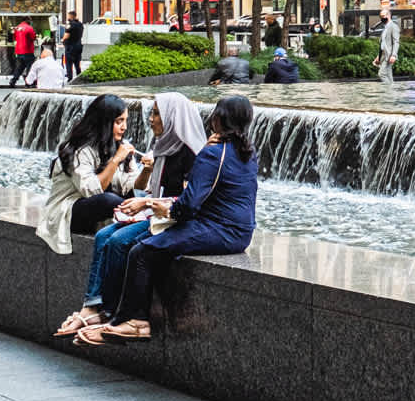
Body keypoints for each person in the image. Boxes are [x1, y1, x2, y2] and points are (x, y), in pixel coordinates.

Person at [81, 94, 259, 343]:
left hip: (218, 230)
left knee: (141, 252)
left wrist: (160, 208)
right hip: (240, 232)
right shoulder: (247, 152)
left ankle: (136, 321)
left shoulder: (212, 153)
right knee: (137, 243)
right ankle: (115, 317)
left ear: (218, 119)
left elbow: (188, 205)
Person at [54, 92, 206, 338]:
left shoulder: (189, 153)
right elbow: (94, 189)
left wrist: (145, 196)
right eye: (119, 121)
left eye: (156, 114)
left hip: (169, 217)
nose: (150, 119)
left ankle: (114, 313)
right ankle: (94, 307)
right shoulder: (85, 149)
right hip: (81, 209)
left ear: (172, 118)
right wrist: (143, 195)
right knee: (105, 234)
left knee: (118, 239)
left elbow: (182, 200)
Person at [36, 93, 140, 255]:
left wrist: (148, 170)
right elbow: (92, 190)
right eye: (119, 121)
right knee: (108, 200)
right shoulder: (79, 149)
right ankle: (142, 220)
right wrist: (115, 161)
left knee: (137, 198)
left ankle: (140, 219)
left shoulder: (121, 146)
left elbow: (132, 186)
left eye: (125, 121)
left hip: (102, 208)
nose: (124, 127)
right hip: (70, 210)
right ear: (104, 122)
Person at [9, 18, 37, 86]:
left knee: (20, 67)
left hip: (19, 51)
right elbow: (33, 37)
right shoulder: (29, 28)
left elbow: (15, 37)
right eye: (30, 20)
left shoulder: (17, 27)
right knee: (30, 67)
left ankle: (13, 80)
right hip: (28, 50)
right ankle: (29, 82)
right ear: (27, 20)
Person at [377, 5, 400, 83]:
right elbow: (383, 43)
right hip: (383, 54)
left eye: (383, 16)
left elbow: (396, 42)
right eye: (381, 16)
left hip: (389, 55)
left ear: (388, 15)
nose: (382, 18)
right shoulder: (385, 27)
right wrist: (378, 56)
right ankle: (392, 89)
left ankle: (388, 88)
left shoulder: (394, 26)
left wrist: (394, 55)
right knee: (389, 75)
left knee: (381, 74)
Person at [63, 11, 85, 81]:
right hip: (78, 46)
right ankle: (79, 77)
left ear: (70, 16)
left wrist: (63, 40)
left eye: (68, 16)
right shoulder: (80, 24)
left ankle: (70, 78)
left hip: (70, 47)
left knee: (69, 63)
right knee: (77, 63)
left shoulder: (70, 24)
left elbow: (67, 35)